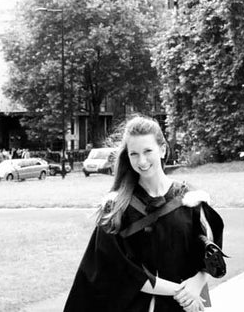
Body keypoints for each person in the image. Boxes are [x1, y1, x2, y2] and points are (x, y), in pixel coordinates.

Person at [64, 116, 226, 312]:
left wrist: (198, 282)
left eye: (148, 151)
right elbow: (120, 269)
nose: (141, 161)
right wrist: (182, 292)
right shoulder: (118, 208)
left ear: (162, 149)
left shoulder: (190, 200)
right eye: (134, 154)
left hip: (184, 307)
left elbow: (210, 252)